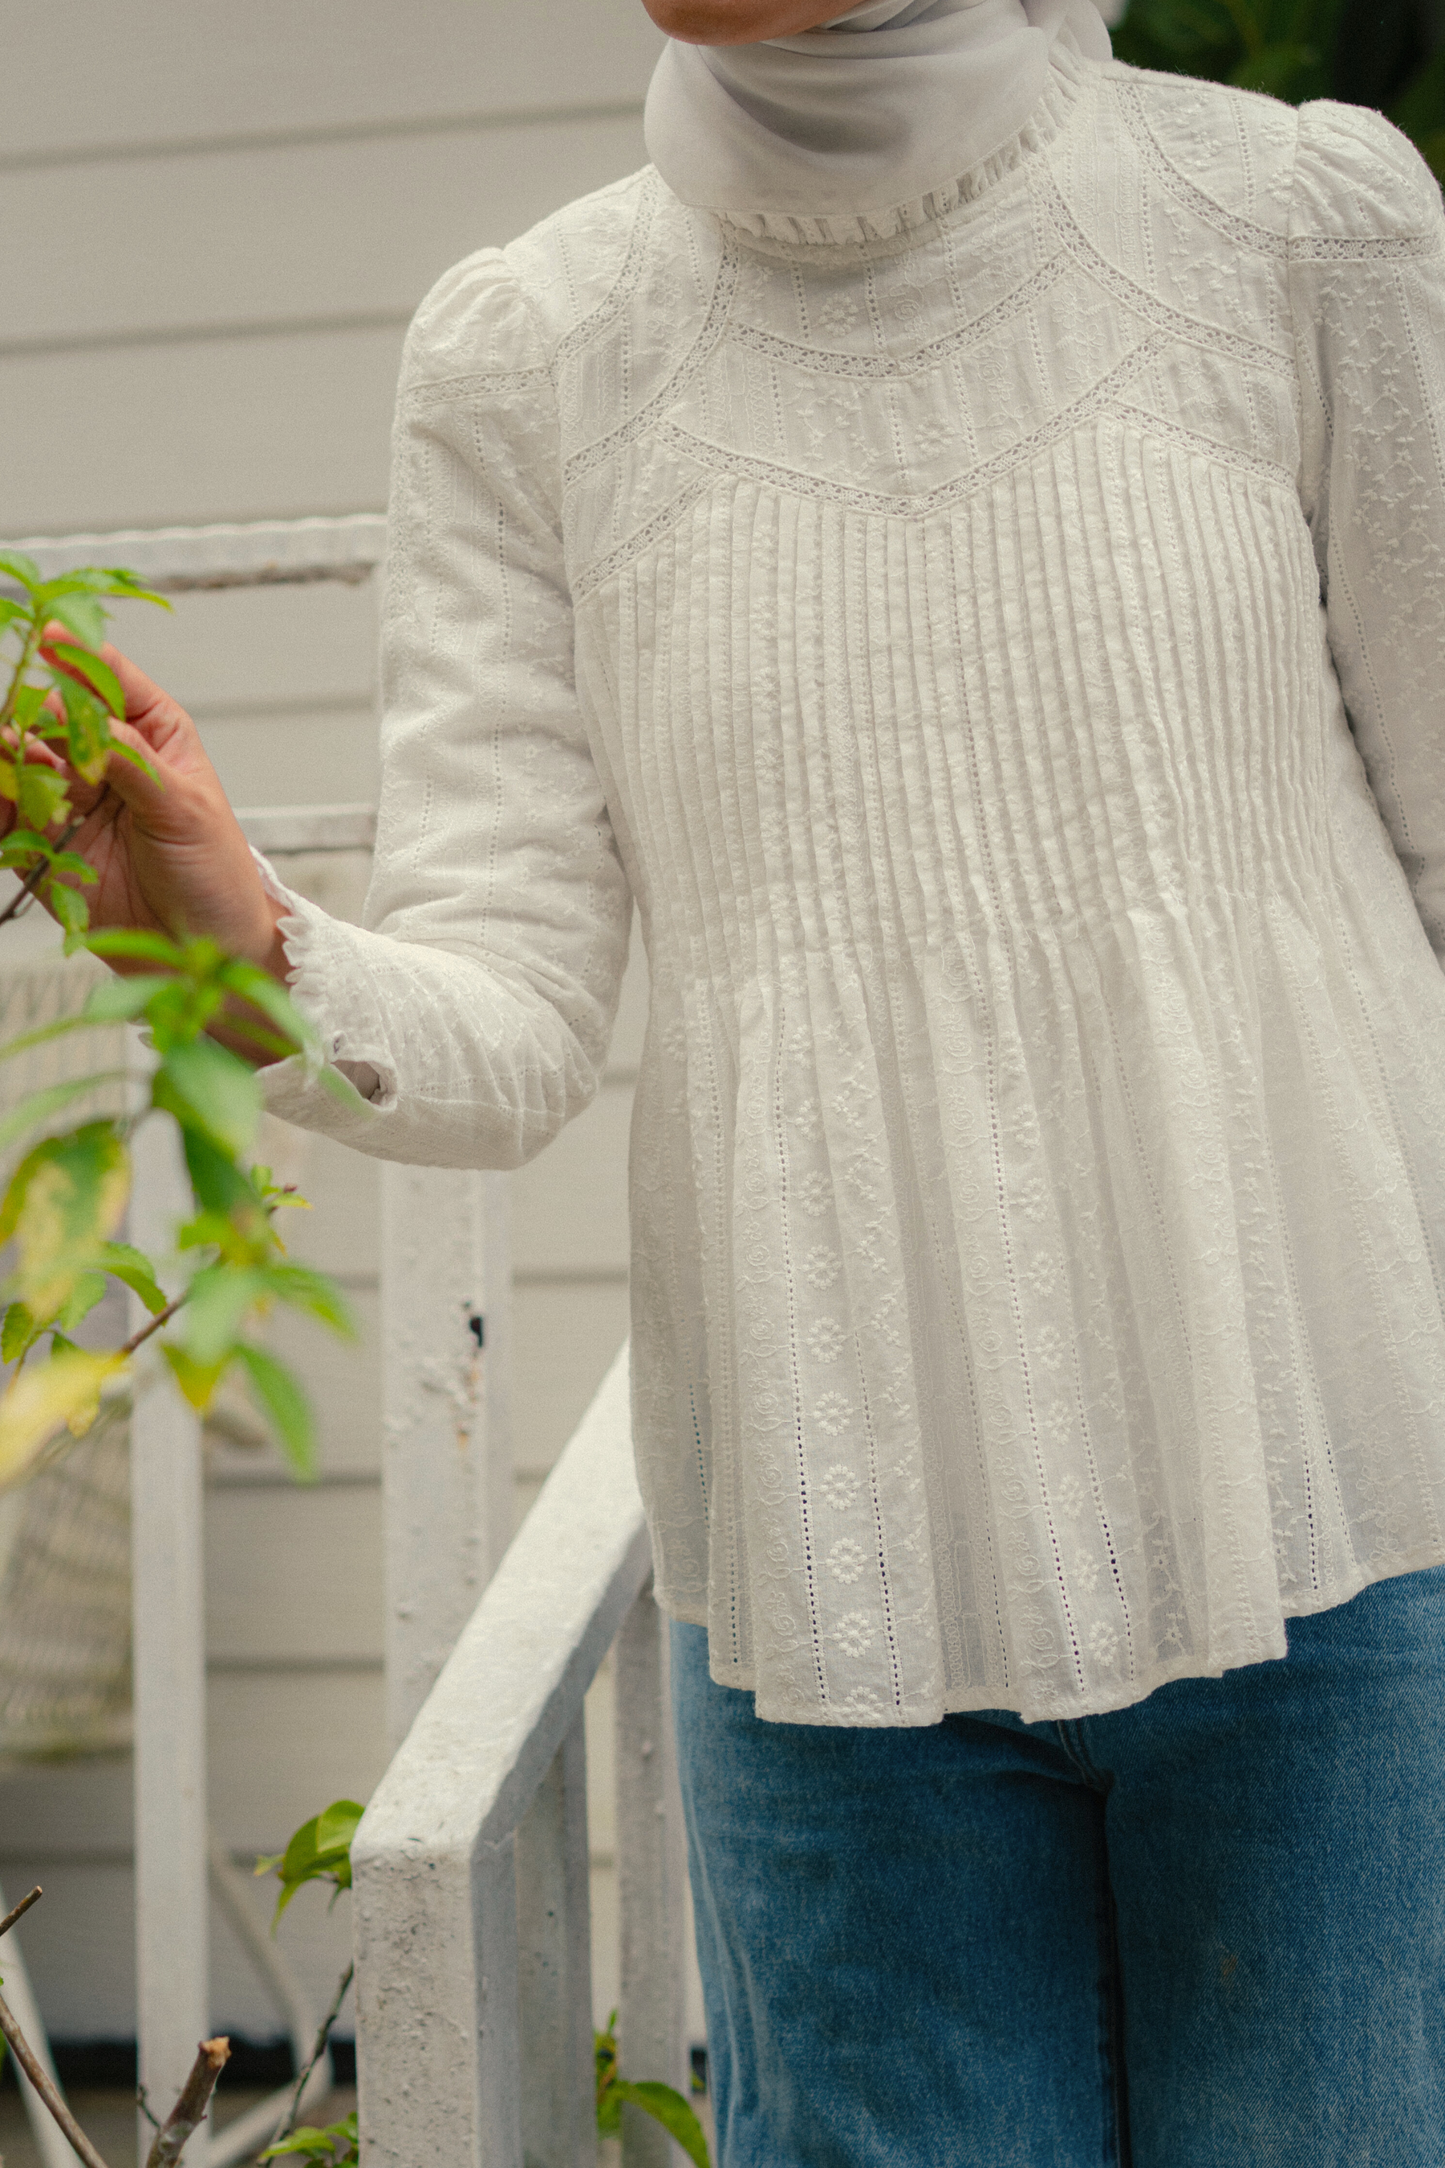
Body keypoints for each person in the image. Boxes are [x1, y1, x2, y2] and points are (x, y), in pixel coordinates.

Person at [21, 0, 1445, 2158]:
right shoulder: (531, 352)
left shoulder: (1295, 223)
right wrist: (233, 936)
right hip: (837, 1597)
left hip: (1345, 1526)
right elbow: (506, 1018)